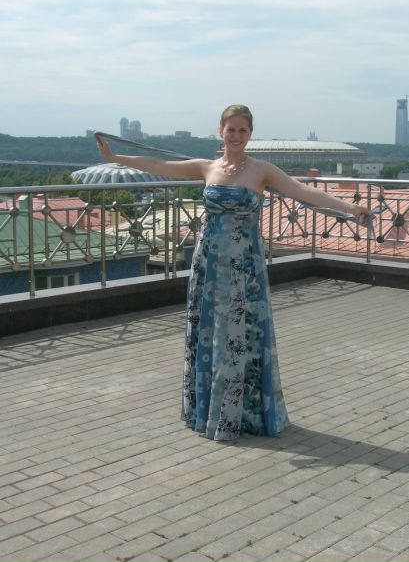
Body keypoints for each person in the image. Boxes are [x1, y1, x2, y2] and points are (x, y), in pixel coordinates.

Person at [96, 104, 369, 441]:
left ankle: (239, 415)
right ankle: (211, 409)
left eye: (243, 130)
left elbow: (305, 192)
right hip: (209, 263)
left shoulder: (262, 170)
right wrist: (116, 157)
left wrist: (350, 208)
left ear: (250, 134)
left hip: (244, 266)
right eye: (231, 129)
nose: (236, 136)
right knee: (211, 332)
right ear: (220, 131)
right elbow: (157, 165)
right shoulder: (206, 167)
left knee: (239, 336)